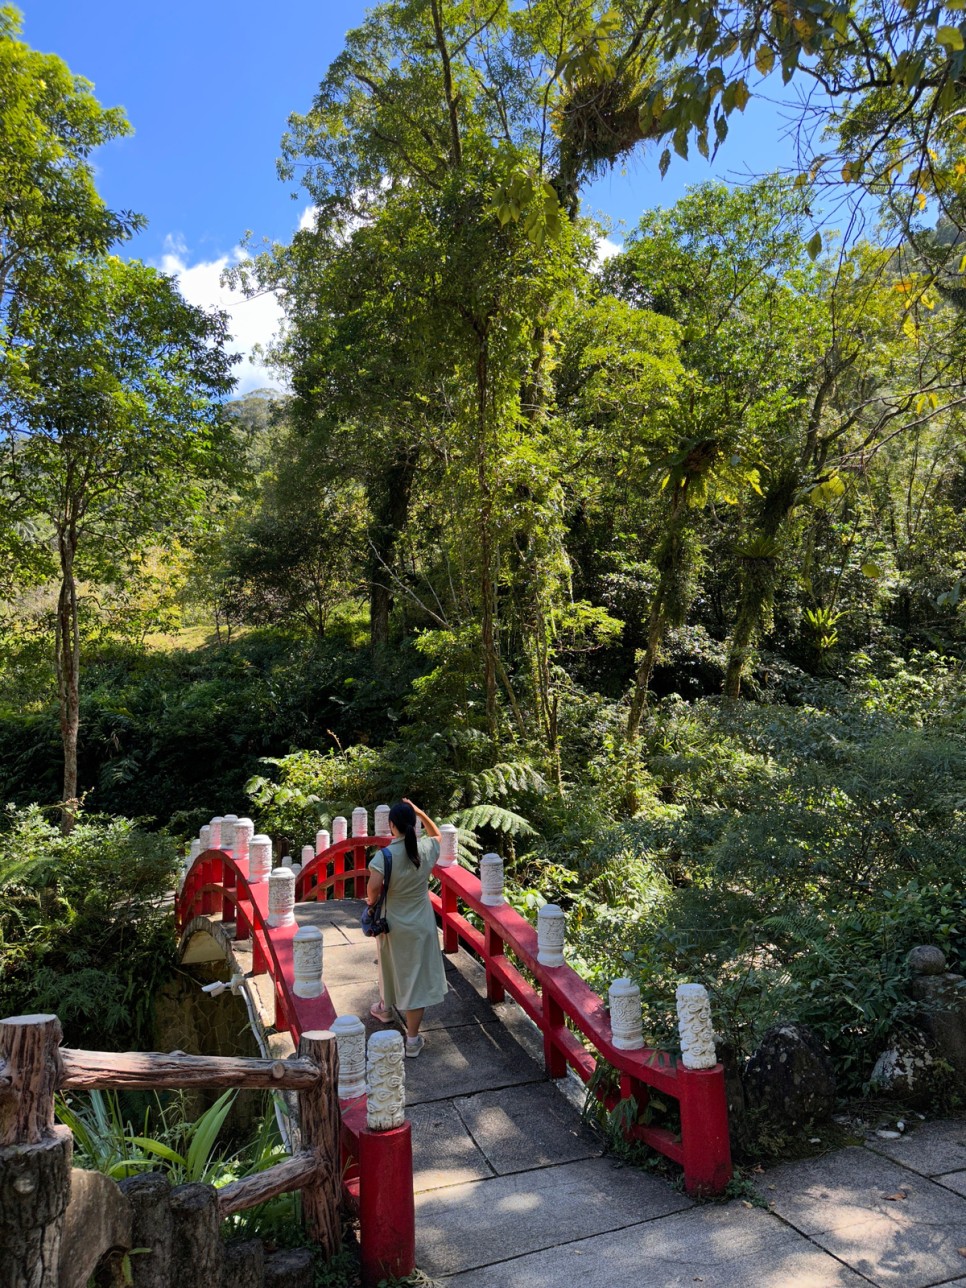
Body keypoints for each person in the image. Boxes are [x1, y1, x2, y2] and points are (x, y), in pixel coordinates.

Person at [366, 798, 447, 1057]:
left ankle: (386, 1010)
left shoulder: (385, 856)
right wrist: (422, 813)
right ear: (413, 824)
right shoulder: (424, 848)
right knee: (416, 977)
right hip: (421, 922)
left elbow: (374, 887)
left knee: (389, 963)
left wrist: (371, 903)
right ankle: (411, 1039)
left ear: (392, 825)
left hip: (393, 922)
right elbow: (438, 836)